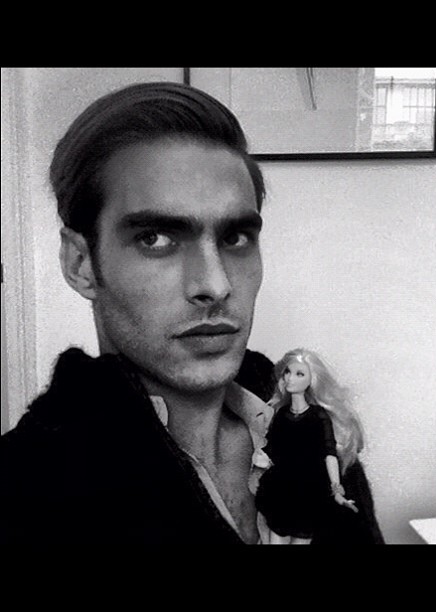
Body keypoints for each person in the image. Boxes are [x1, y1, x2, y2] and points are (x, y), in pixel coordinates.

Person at [0, 80, 384, 549]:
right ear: (81, 264)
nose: (216, 285)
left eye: (235, 238)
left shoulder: (309, 428)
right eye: (155, 239)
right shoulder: (23, 494)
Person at [255, 348, 370, 544]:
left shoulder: (318, 416)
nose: (290, 378)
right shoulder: (281, 414)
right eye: (287, 372)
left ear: (311, 380)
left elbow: (329, 453)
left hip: (308, 493)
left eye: (299, 374)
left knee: (301, 538)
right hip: (281, 491)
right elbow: (272, 448)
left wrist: (337, 489)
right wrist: (261, 458)